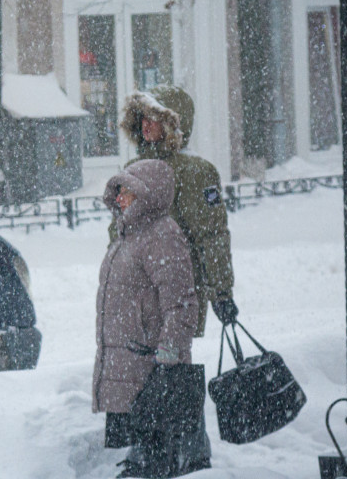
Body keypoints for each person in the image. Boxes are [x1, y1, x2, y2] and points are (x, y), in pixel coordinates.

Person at [93, 159, 200, 478]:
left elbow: (181, 303)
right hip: (127, 363)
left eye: (128, 190)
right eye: (119, 189)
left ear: (149, 195)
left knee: (152, 454)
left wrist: (169, 355)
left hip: (150, 367)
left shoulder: (162, 235)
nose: (120, 197)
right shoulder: (128, 233)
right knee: (142, 450)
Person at [114, 86, 239, 335]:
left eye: (154, 118)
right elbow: (117, 232)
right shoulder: (132, 170)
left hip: (177, 290)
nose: (146, 125)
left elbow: (212, 235)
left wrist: (221, 292)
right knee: (137, 367)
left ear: (172, 124)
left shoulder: (194, 171)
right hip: (137, 290)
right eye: (142, 118)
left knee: (174, 363)